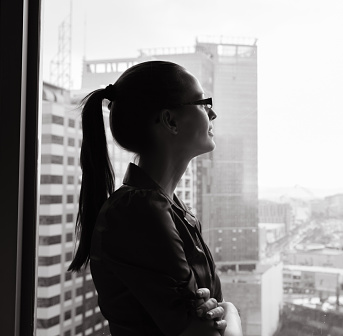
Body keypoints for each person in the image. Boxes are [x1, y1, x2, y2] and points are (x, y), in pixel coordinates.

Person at [68, 60, 243, 336]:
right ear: (170, 121)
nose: (213, 114)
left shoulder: (168, 208)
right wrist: (231, 310)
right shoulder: (139, 211)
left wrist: (221, 312)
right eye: (202, 104)